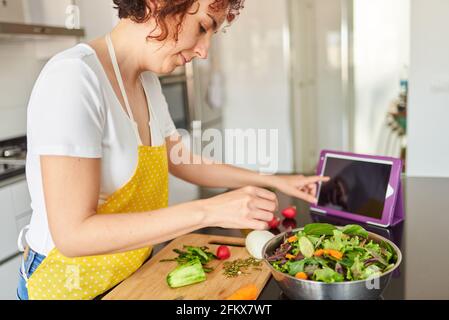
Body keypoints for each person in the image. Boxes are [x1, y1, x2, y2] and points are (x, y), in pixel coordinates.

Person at [17, 0, 328, 300]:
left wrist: (275, 180)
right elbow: (73, 235)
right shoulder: (74, 78)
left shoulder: (147, 82)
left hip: (130, 276)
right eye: (204, 26)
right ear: (160, 4)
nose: (205, 51)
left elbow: (184, 160)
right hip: (69, 286)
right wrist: (210, 210)